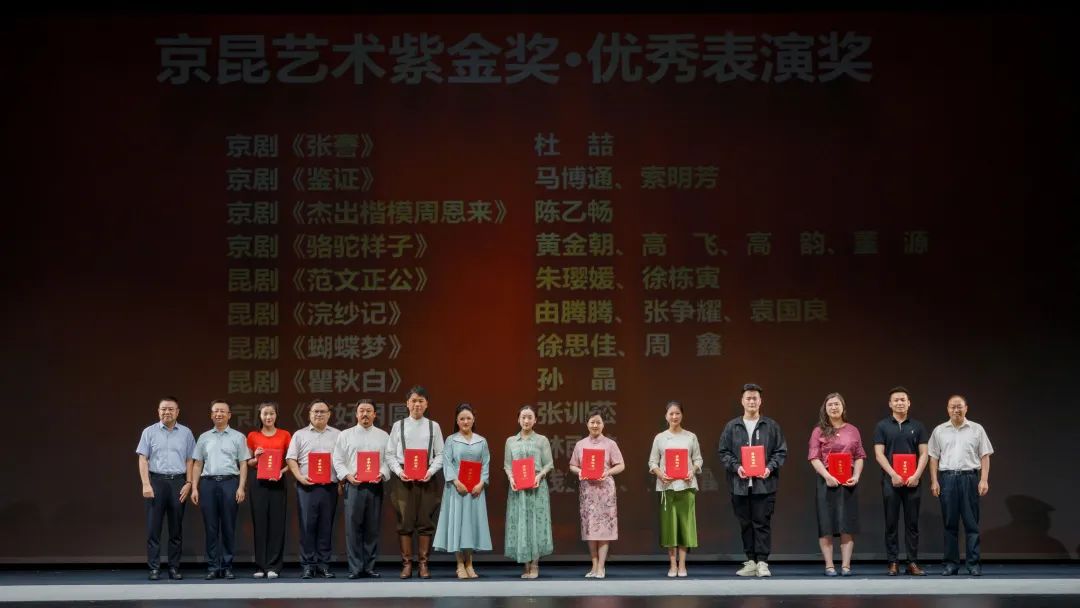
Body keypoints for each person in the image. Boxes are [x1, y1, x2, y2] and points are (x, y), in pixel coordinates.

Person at [717, 383, 788, 578]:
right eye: (748, 398)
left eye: (755, 398)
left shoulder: (770, 426)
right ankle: (750, 561)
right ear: (742, 401)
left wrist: (769, 468)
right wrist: (736, 467)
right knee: (745, 524)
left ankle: (762, 562)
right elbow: (723, 452)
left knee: (762, 523)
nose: (751, 401)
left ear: (760, 401)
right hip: (739, 485)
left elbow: (781, 451)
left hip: (764, 485)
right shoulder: (732, 426)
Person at [929, 394, 994, 576]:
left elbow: (985, 456)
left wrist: (984, 479)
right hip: (947, 479)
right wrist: (934, 481)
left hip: (969, 478)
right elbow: (933, 458)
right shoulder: (939, 430)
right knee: (949, 524)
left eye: (959, 406)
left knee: (971, 524)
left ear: (966, 408)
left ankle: (973, 564)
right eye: (952, 406)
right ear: (947, 409)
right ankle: (951, 564)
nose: (956, 410)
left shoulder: (976, 429)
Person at [386, 386, 445, 579]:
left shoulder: (433, 426)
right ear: (407, 404)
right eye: (413, 401)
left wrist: (430, 471)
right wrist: (399, 471)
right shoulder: (399, 426)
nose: (417, 404)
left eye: (421, 401)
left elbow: (441, 454)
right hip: (404, 478)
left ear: (427, 404)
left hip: (427, 477)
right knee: (405, 520)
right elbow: (389, 454)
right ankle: (407, 564)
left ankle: (423, 564)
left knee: (425, 520)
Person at [136, 396, 195, 580]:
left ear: (177, 412)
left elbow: (190, 460)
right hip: (156, 482)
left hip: (178, 482)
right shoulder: (149, 432)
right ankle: (154, 568)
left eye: (171, 409)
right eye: (163, 409)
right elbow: (143, 459)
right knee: (153, 528)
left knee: (176, 529)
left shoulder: (186, 433)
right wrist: (146, 483)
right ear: (158, 411)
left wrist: (189, 483)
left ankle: (174, 568)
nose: (167, 412)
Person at [872, 386, 930, 576]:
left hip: (913, 481)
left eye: (903, 399)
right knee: (891, 523)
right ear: (890, 404)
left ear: (909, 403)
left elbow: (924, 453)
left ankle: (912, 562)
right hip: (891, 481)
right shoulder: (882, 426)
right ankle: (893, 562)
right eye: (896, 400)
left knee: (912, 524)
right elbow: (879, 454)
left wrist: (917, 475)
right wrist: (893, 474)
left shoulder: (918, 426)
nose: (899, 403)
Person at [808, 393, 866, 576]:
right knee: (826, 524)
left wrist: (856, 476)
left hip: (848, 482)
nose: (834, 407)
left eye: (837, 404)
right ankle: (829, 566)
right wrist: (827, 476)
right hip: (826, 481)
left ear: (843, 407)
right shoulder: (818, 431)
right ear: (825, 409)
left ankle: (846, 566)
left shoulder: (853, 430)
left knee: (846, 524)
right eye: (830, 405)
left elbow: (860, 456)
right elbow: (814, 457)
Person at [333, 398, 391, 579]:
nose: (365, 414)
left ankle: (369, 567)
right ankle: (355, 568)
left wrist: (381, 474)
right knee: (353, 528)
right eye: (362, 411)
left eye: (369, 411)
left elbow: (389, 459)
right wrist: (347, 476)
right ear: (356, 414)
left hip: (375, 486)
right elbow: (337, 460)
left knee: (372, 528)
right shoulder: (345, 435)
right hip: (354, 486)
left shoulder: (383, 436)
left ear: (375, 414)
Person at [191, 399, 249, 580]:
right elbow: (197, 464)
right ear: (211, 415)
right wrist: (194, 488)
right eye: (216, 411)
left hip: (230, 483)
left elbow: (243, 463)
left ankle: (227, 565)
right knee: (211, 527)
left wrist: (241, 487)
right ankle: (213, 566)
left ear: (229, 415)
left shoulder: (238, 437)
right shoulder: (204, 437)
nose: (219, 414)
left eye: (222, 411)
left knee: (228, 526)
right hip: (208, 483)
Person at [434, 403, 493, 578]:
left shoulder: (481, 441)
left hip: (475, 490)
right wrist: (455, 481)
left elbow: (485, 464)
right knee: (458, 524)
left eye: (468, 418)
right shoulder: (451, 440)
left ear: (473, 420)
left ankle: (470, 563)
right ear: (457, 421)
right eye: (462, 419)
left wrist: (481, 483)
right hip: (457, 489)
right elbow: (447, 463)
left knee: (471, 525)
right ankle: (460, 563)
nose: (465, 421)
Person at [286, 398, 342, 579]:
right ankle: (308, 565)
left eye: (322, 411)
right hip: (307, 487)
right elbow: (291, 458)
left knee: (326, 526)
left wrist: (341, 482)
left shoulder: (338, 435)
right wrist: (299, 477)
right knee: (307, 527)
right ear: (309, 414)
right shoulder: (299, 435)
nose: (319, 414)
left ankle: (324, 564)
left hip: (329, 487)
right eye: (315, 411)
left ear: (329, 414)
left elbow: (343, 460)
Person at [647, 400, 703, 578]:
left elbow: (698, 459)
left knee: (685, 526)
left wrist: (692, 470)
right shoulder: (660, 437)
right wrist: (660, 474)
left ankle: (683, 565)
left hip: (687, 487)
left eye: (677, 413)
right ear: (666, 416)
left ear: (682, 415)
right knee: (670, 527)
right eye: (671, 413)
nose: (674, 416)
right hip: (667, 487)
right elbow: (652, 462)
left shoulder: (691, 437)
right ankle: (672, 565)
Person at [569, 408, 625, 579]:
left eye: (598, 422)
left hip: (605, 491)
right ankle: (594, 566)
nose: (595, 425)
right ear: (587, 424)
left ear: (603, 424)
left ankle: (601, 567)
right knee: (590, 529)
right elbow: (573, 465)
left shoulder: (610, 444)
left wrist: (608, 472)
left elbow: (621, 465)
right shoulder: (580, 445)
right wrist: (580, 471)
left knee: (604, 529)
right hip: (588, 491)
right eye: (592, 422)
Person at [504, 404, 554, 579]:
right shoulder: (511, 441)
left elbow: (549, 464)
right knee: (522, 524)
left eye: (529, 417)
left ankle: (535, 565)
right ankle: (525, 565)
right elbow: (507, 465)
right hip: (518, 489)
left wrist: (539, 475)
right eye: (523, 417)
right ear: (518, 419)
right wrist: (511, 478)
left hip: (536, 487)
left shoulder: (542, 440)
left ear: (535, 420)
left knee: (536, 525)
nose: (526, 420)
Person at [245, 401, 291, 579]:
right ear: (260, 416)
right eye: (265, 413)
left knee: (277, 524)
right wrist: (256, 458)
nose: (268, 417)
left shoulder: (285, 435)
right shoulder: (252, 436)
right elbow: (248, 462)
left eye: (271, 413)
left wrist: (281, 472)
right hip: (259, 483)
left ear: (276, 415)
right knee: (260, 523)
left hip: (278, 481)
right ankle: (260, 565)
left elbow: (292, 460)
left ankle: (274, 566)